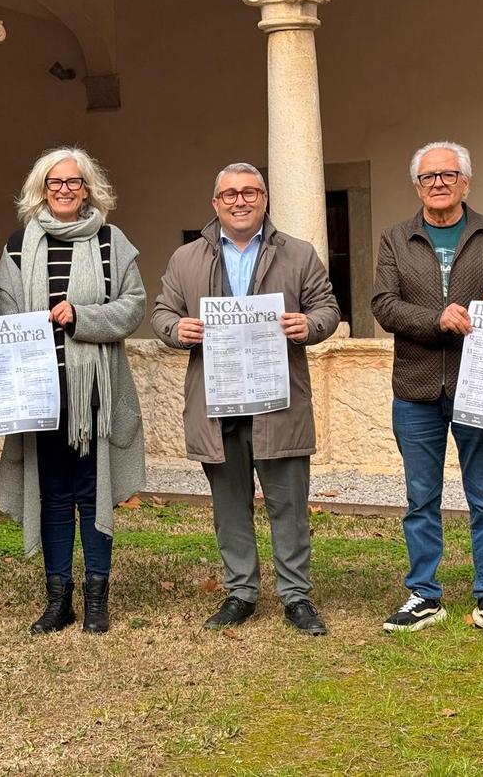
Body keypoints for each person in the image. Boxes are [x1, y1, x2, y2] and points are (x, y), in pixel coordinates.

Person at [151, 163, 340, 635]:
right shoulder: (186, 258)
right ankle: (241, 593)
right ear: (215, 203)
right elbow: (161, 312)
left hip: (279, 399)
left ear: (264, 199)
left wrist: (309, 325)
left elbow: (328, 308)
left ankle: (296, 595)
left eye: (250, 192)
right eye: (230, 193)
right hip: (217, 402)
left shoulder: (297, 253)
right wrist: (177, 329)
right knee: (230, 504)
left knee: (289, 503)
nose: (240, 200)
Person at [372, 141, 483, 639]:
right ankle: (424, 594)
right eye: (428, 176)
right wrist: (436, 319)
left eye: (449, 174)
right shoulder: (396, 238)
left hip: (479, 386)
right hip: (415, 387)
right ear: (417, 185)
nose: (438, 183)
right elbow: (383, 305)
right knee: (421, 497)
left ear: (466, 181)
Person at [0, 147, 146, 635]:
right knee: (53, 497)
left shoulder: (110, 240)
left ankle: (97, 599)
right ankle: (58, 601)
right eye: (55, 182)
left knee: (92, 493)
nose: (64, 190)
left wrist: (83, 317)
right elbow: (5, 317)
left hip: (95, 392)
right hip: (39, 394)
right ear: (41, 189)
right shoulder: (18, 247)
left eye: (73, 182)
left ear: (88, 188)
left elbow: (133, 306)